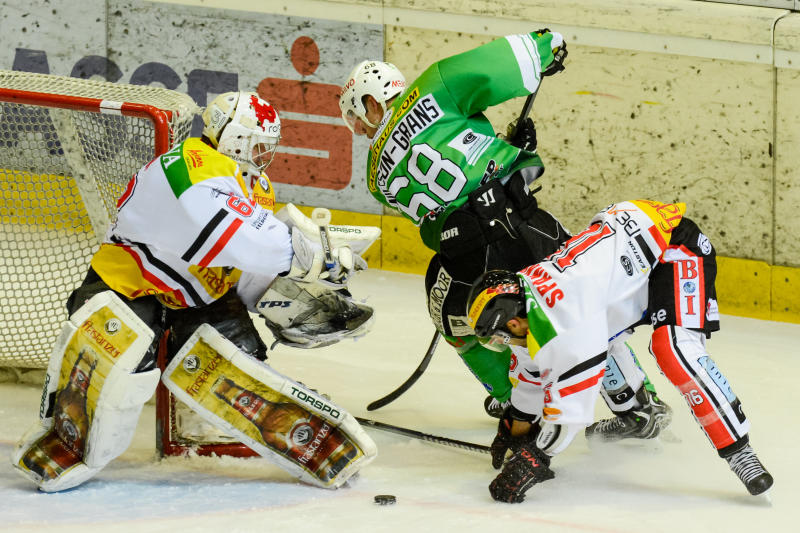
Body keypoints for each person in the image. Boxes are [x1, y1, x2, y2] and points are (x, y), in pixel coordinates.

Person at [12, 91, 379, 492]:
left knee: (240, 361)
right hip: (132, 285)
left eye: (268, 147)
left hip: (198, 296)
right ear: (231, 136)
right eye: (255, 143)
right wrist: (310, 254)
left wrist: (295, 299)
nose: (263, 155)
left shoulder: (255, 186)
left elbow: (247, 267)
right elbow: (237, 235)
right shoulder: (188, 165)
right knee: (119, 349)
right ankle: (65, 440)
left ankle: (267, 430)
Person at [339, 31, 672, 437]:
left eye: (357, 117)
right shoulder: (434, 86)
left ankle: (517, 402)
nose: (360, 130)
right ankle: (636, 405)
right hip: (522, 222)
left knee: (452, 318)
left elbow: (437, 206)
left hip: (470, 257)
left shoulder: (375, 175)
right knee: (578, 304)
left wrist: (499, 148)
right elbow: (499, 65)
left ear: (373, 100)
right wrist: (544, 47)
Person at [466, 200, 774, 502]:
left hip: (674, 249)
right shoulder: (529, 300)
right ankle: (639, 411)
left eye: (500, 338)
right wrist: (515, 428)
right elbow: (531, 374)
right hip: (629, 259)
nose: (503, 343)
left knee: (674, 349)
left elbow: (570, 413)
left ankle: (740, 453)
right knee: (600, 339)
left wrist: (535, 458)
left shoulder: (570, 320)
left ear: (514, 323)